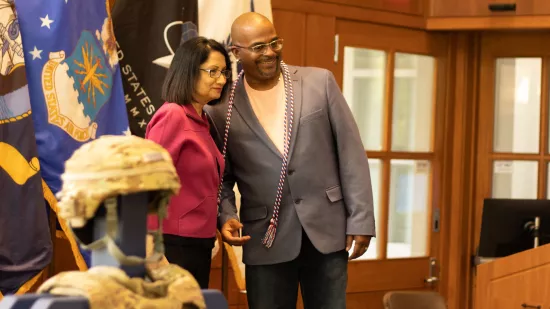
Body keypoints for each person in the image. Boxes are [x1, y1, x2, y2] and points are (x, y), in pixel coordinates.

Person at [205, 12, 376, 309]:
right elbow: (221, 176)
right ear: (236, 52)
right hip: (264, 238)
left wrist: (361, 219)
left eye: (274, 42)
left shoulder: (319, 82)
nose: (270, 51)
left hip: (327, 232)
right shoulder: (220, 109)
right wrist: (226, 214)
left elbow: (351, 153)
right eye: (259, 47)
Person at [145, 36, 232, 289]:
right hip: (170, 246)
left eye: (224, 72)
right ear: (189, 73)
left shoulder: (201, 120)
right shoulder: (173, 115)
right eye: (213, 72)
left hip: (198, 243)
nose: (223, 80)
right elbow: (148, 183)